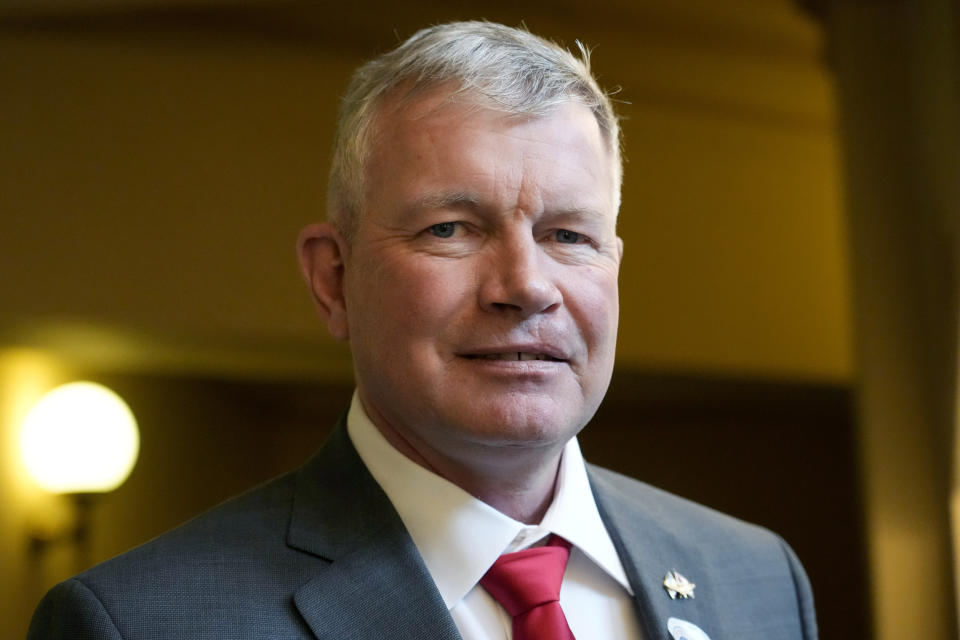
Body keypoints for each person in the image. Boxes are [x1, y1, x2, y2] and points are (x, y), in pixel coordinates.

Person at [28, 21, 818, 640]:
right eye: (450, 228)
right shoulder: (142, 624)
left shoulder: (754, 579)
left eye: (569, 236)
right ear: (333, 279)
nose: (526, 286)